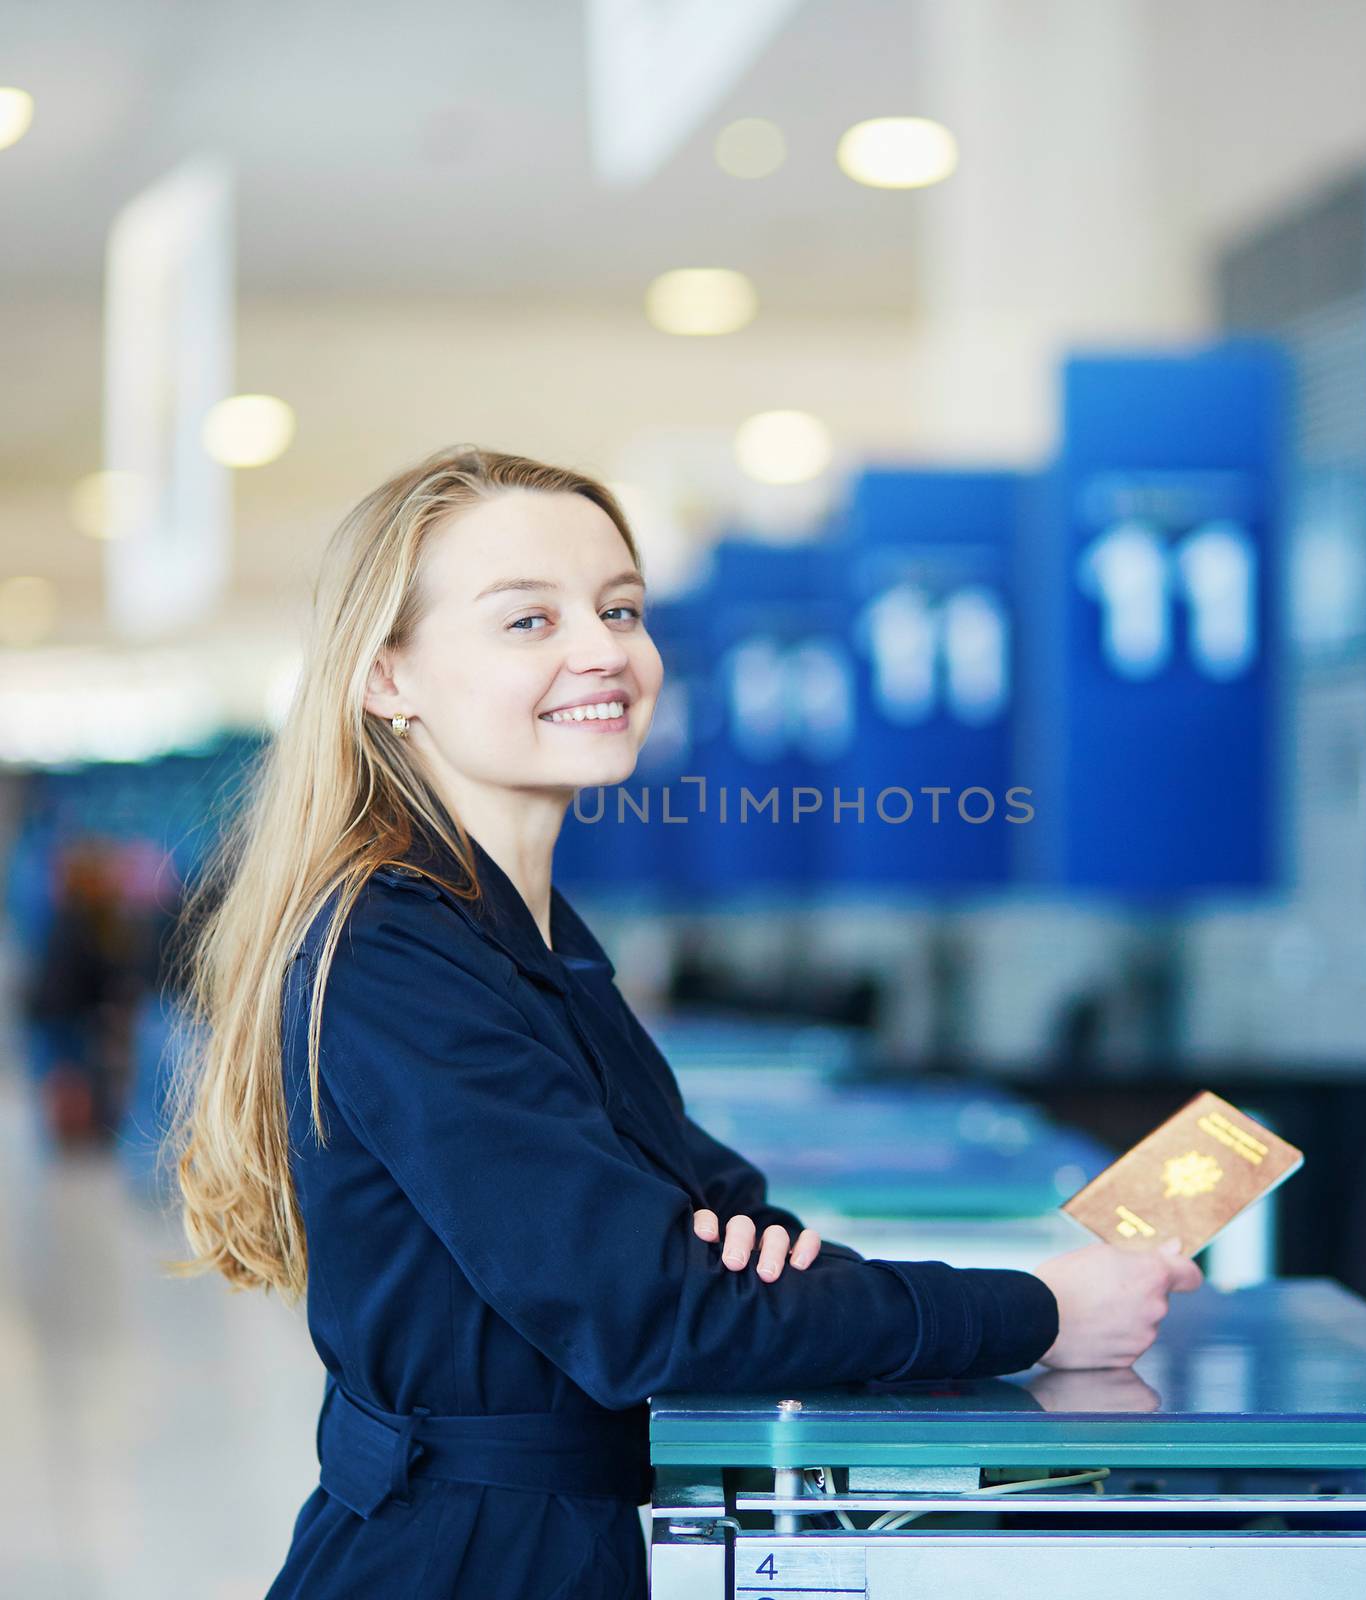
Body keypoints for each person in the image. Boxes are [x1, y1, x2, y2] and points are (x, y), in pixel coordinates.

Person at [162, 445, 1202, 1599]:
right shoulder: (395, 949)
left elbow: (727, 1219)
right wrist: (1042, 1310)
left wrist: (730, 1270)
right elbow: (653, 1307)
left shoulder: (530, 936)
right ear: (386, 676)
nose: (603, 649)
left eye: (619, 608)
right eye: (528, 621)